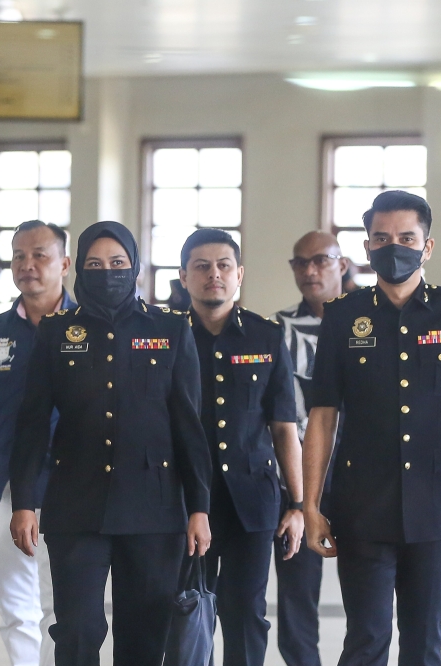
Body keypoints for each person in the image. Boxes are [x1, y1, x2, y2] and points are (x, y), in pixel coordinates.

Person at [303, 190, 441, 666]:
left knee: (424, 640)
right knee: (366, 640)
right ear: (368, 247)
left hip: (436, 503)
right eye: (382, 238)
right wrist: (310, 504)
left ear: (427, 246)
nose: (395, 247)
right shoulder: (343, 316)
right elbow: (323, 416)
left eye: (407, 237)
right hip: (360, 504)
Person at [10, 221, 212, 666]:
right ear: (79, 269)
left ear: (135, 267)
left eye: (118, 263)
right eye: (95, 264)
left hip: (154, 509)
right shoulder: (57, 331)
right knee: (77, 630)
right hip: (75, 505)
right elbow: (32, 423)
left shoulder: (171, 329)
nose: (108, 272)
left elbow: (189, 426)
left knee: (144, 635)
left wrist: (199, 506)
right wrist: (24, 500)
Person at [178, 228, 303, 666]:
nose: (214, 274)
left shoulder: (266, 338)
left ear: (239, 275)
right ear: (184, 277)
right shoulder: (167, 337)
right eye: (201, 266)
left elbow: (284, 427)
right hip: (182, 500)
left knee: (245, 612)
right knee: (187, 612)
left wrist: (298, 504)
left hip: (251, 500)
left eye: (223, 265)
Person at [0, 220, 74, 666]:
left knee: (67, 602)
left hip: (75, 480)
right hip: (10, 483)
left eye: (40, 255)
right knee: (16, 598)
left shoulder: (87, 329)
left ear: (65, 264)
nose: (28, 265)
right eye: (18, 256)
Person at [271, 231, 348, 666]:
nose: (310, 270)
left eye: (320, 260)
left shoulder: (366, 322)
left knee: (367, 589)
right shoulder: (277, 329)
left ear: (342, 264)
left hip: (359, 472)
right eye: (300, 262)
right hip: (297, 477)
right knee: (297, 590)